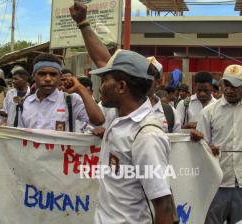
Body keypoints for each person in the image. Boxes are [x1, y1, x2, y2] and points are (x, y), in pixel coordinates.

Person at [70, 3, 174, 224]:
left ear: (122, 86)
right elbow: (102, 60)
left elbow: (164, 207)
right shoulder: (119, 117)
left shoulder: (146, 135)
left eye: (105, 80)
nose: (101, 86)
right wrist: (83, 23)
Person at [197, 64, 242, 224]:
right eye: (227, 85)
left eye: (235, 86)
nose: (230, 90)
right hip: (217, 184)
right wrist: (207, 148)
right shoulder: (208, 112)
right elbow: (200, 146)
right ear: (222, 84)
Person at [17, 53, 105, 131]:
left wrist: (80, 88)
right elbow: (20, 136)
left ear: (60, 77)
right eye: (42, 74)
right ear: (34, 76)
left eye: (53, 74)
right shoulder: (25, 103)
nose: (48, 79)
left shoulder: (71, 100)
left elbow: (99, 120)